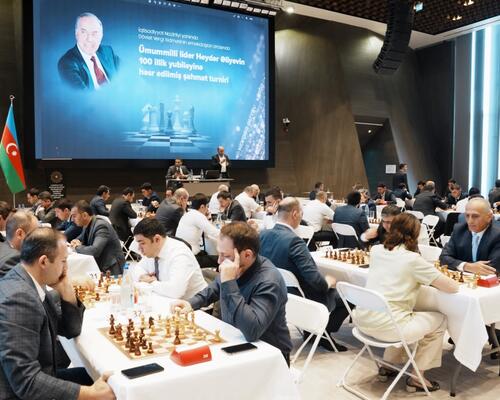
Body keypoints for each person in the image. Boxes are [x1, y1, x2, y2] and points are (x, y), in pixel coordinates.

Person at [0, 228, 115, 399]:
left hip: (41, 375)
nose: (66, 268)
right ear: (44, 261)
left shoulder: (29, 279)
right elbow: (26, 382)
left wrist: (67, 291)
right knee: (108, 389)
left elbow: (70, 330)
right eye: (63, 261)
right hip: (17, 393)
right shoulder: (20, 299)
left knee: (92, 376)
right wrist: (90, 394)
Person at [354, 213, 458, 392]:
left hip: (362, 321)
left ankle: (388, 365)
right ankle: (417, 377)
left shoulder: (376, 250)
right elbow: (452, 287)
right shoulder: (413, 260)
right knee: (439, 319)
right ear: (415, 234)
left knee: (402, 313)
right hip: (389, 329)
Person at [171, 222, 292, 362]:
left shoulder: (269, 281)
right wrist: (191, 303)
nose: (219, 261)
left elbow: (252, 330)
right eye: (219, 254)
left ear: (247, 255)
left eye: (225, 256)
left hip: (269, 356)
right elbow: (214, 288)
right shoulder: (237, 266)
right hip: (235, 342)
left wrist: (229, 282)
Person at [260, 198, 349, 351]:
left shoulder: (263, 235)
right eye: (301, 213)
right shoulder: (294, 241)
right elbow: (316, 281)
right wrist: (328, 282)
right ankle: (320, 333)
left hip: (273, 292)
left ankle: (312, 332)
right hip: (298, 299)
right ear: (295, 214)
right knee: (347, 296)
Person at [131, 218, 207, 299]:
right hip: (167, 300)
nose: (139, 249)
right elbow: (138, 268)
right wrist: (143, 276)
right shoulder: (152, 251)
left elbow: (175, 291)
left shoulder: (179, 254)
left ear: (157, 239)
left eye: (142, 243)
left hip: (195, 304)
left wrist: (151, 282)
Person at [58, 12, 119, 90]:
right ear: (76, 34)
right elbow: (82, 96)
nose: (89, 39)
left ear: (101, 35)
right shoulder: (67, 63)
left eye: (94, 33)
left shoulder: (107, 51)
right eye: (84, 32)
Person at [440, 198, 500, 274]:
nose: (470, 221)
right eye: (467, 215)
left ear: (489, 217)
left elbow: (493, 268)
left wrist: (458, 263)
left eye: (475, 216)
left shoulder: (497, 234)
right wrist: (467, 266)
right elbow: (443, 258)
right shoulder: (459, 229)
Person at [70, 200, 125, 275]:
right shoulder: (86, 224)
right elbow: (80, 238)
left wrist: (77, 247)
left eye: (74, 216)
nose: (72, 219)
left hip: (111, 268)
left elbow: (95, 251)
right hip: (101, 265)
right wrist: (75, 241)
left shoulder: (101, 226)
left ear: (84, 215)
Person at [176, 193, 220, 268]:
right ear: (202, 206)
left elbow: (207, 233)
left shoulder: (188, 214)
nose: (208, 209)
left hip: (183, 255)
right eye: (207, 206)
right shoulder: (198, 216)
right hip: (191, 257)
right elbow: (214, 233)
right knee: (220, 260)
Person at [0, 212, 39, 278]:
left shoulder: (3, 245)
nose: (38, 238)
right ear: (20, 234)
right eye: (35, 233)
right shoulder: (14, 259)